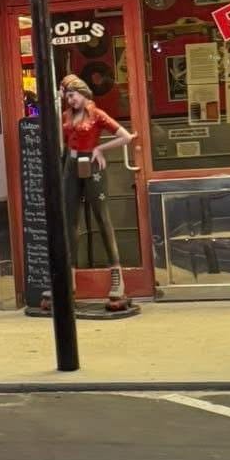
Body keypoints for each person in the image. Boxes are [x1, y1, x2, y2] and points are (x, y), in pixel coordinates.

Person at [58, 73, 137, 308]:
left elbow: (126, 137)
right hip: (70, 165)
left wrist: (100, 148)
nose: (71, 100)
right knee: (69, 222)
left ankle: (116, 277)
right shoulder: (65, 116)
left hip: (92, 166)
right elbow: (60, 141)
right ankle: (69, 280)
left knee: (102, 218)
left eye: (73, 95)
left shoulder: (97, 114)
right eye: (68, 96)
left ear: (83, 93)